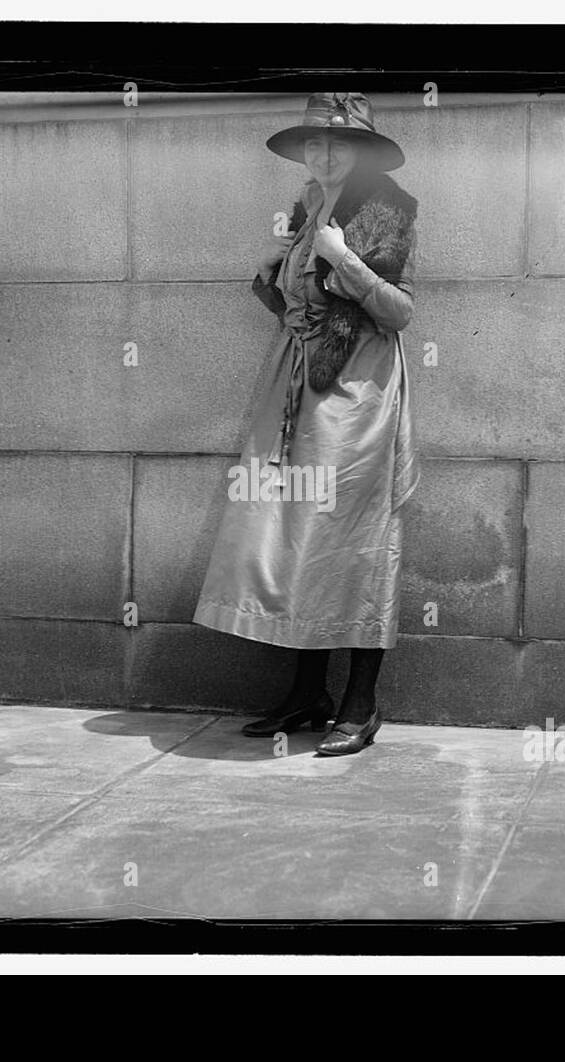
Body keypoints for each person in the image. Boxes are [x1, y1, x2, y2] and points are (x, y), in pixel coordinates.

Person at [193, 92, 421, 757]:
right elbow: (306, 312)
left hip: (358, 392)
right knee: (294, 530)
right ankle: (307, 692)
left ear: (362, 151)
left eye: (338, 144)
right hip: (299, 384)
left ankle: (361, 702)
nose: (323, 154)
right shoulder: (305, 208)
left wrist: (340, 256)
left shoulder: (388, 210)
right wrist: (276, 277)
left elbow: (399, 311)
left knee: (353, 535)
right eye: (314, 144)